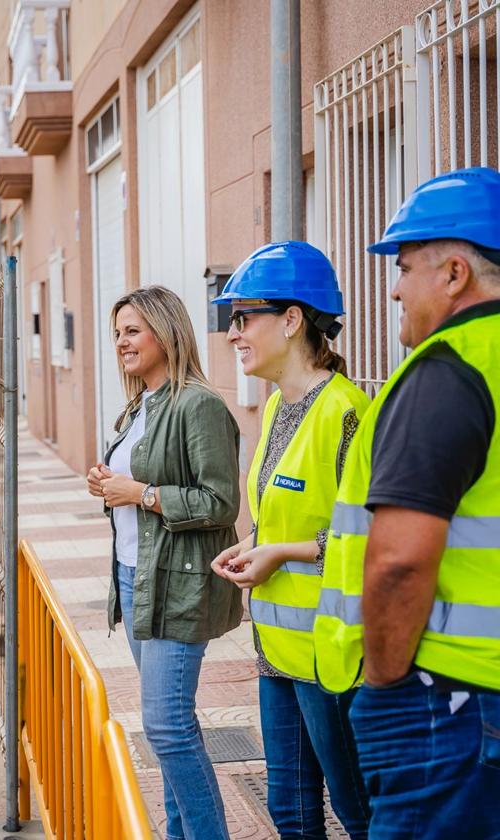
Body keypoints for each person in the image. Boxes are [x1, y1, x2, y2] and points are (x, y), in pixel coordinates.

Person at [313, 166, 500, 838]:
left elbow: (397, 563)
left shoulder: (447, 372)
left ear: (454, 275)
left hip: (444, 704)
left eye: (404, 265)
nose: (393, 286)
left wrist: (387, 683)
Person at [209, 242, 371, 839]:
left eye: (244, 317)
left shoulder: (347, 411)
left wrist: (282, 554)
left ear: (293, 319)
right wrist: (255, 542)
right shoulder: (278, 406)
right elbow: (286, 515)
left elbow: (370, 535)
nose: (233, 333)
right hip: (277, 653)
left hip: (336, 659)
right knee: (293, 814)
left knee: (361, 814)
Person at [87, 285, 242, 840]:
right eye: (119, 333)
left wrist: (142, 494)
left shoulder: (198, 404)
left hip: (178, 585)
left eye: (133, 331)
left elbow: (221, 502)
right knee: (164, 729)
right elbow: (136, 483)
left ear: (167, 332)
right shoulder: (140, 404)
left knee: (168, 726)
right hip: (136, 579)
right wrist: (108, 485)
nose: (122, 342)